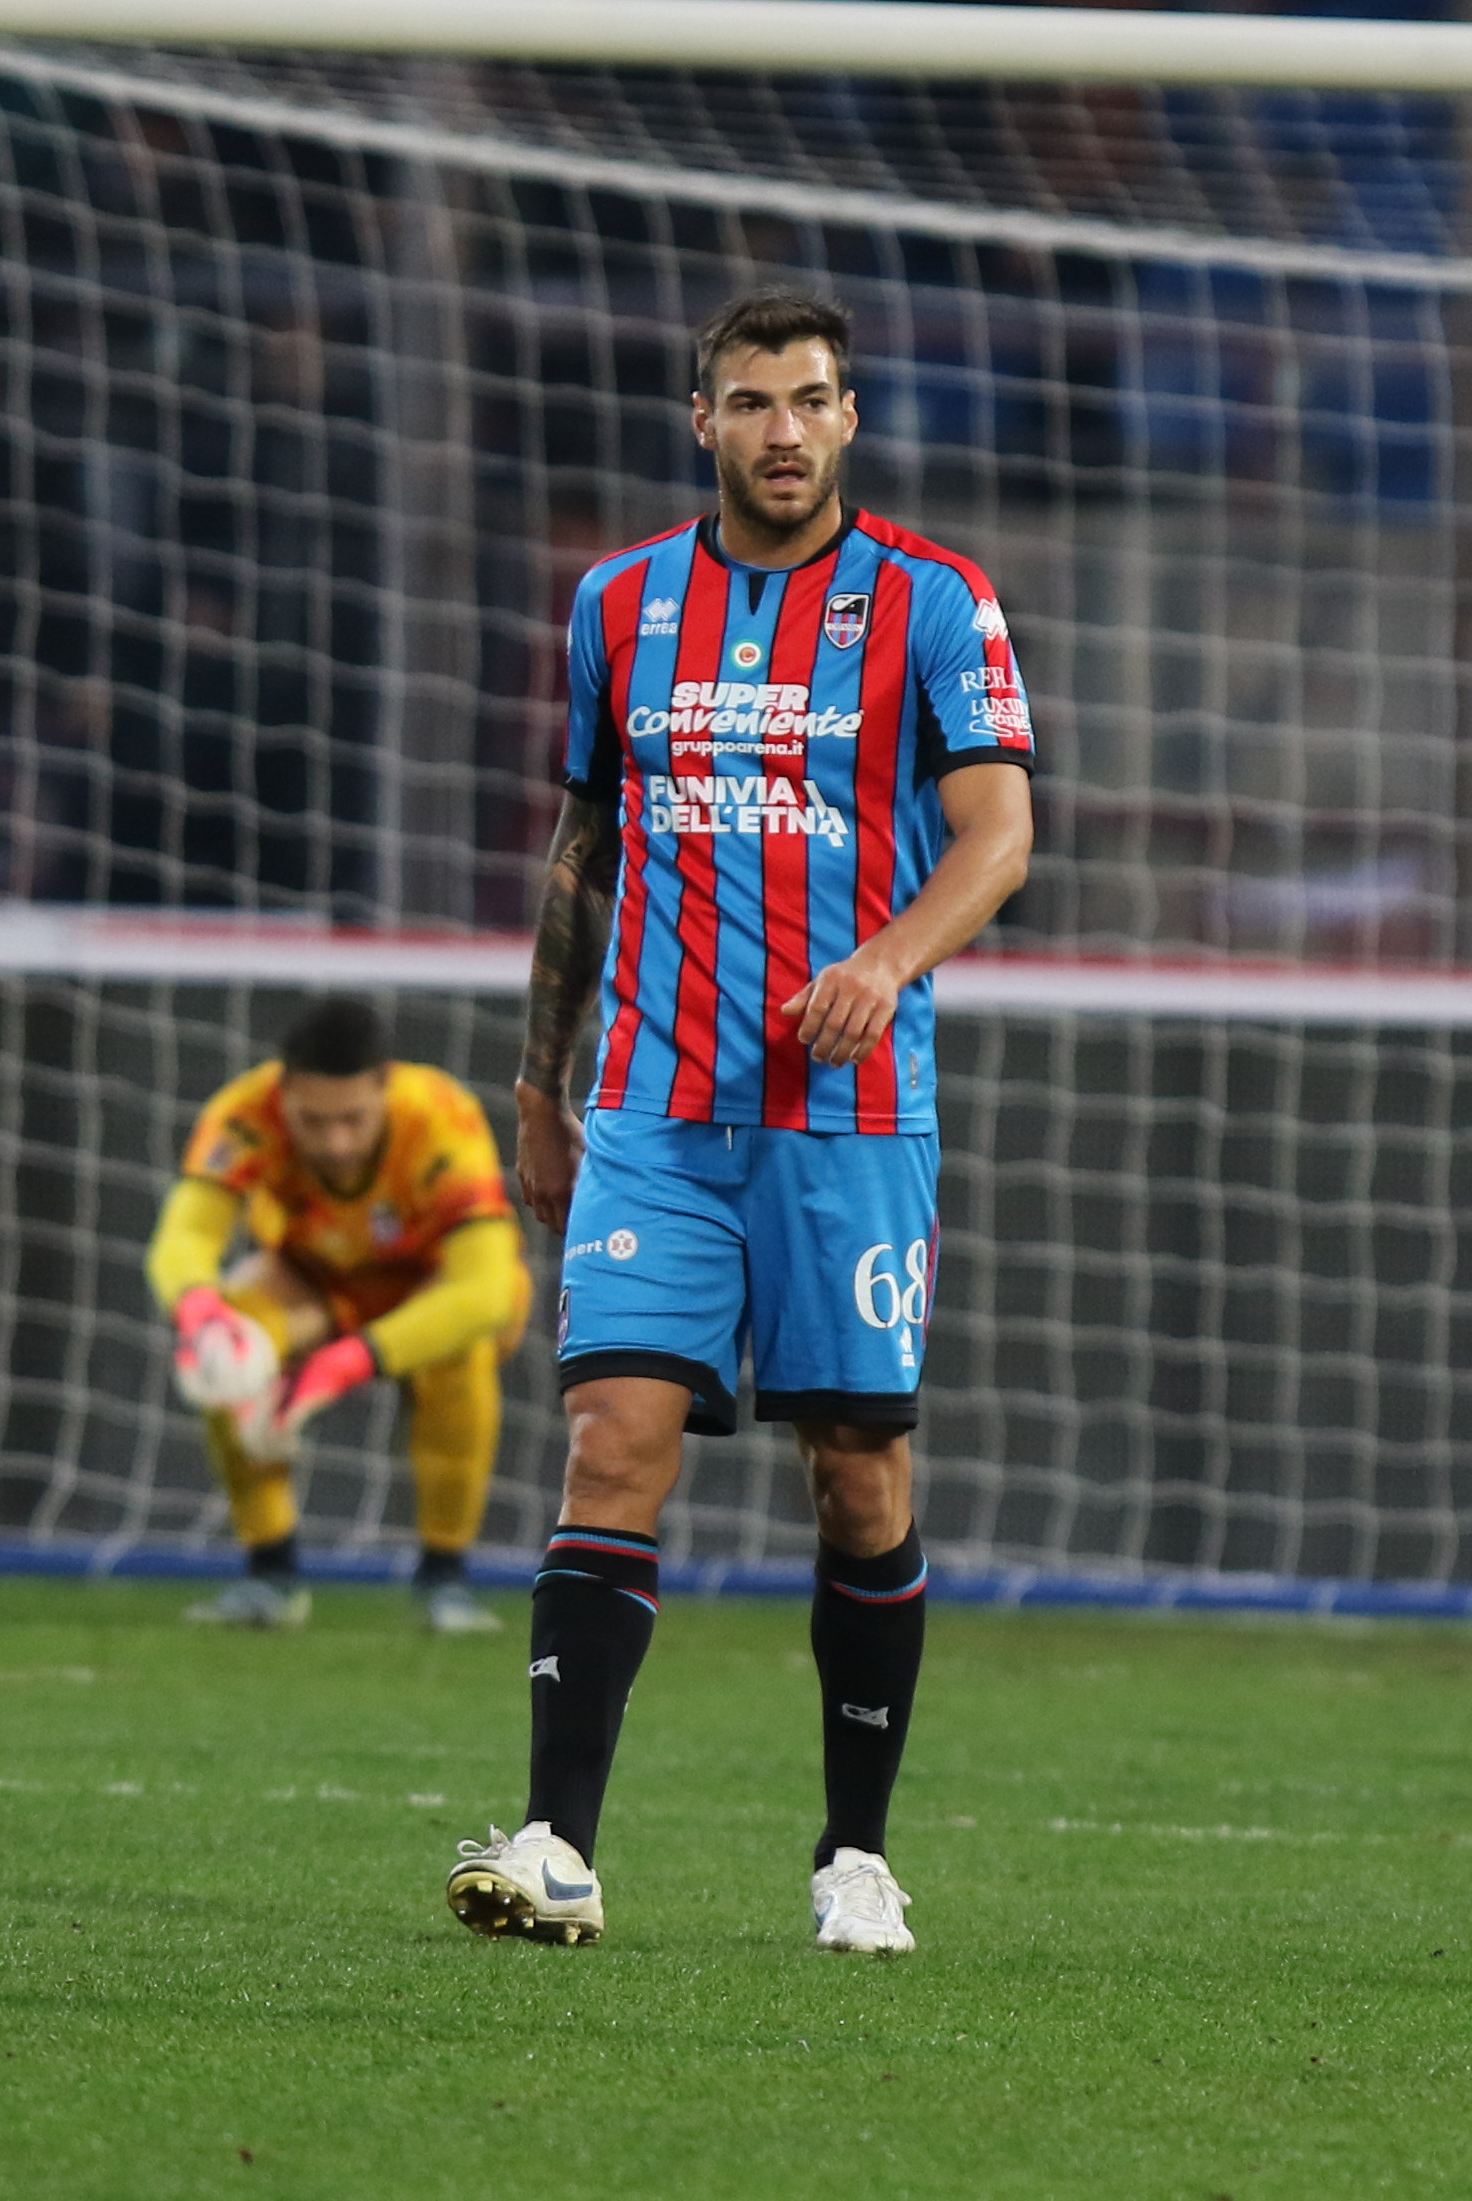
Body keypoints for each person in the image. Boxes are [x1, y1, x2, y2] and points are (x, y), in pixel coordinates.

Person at [443, 287, 1034, 1957]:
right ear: (699, 420)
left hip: (848, 1120)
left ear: (851, 421)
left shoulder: (930, 604)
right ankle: (558, 1841)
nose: (784, 430)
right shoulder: (618, 606)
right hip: (653, 1105)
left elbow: (999, 834)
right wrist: (537, 1081)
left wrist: (888, 957)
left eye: (813, 401)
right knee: (611, 1437)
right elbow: (583, 855)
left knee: (858, 1472)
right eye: (752, 401)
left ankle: (856, 1854)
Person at [148, 997, 533, 1635]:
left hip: (425, 1287)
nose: (336, 1142)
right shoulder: (245, 1113)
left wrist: (340, 1365)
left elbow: (486, 1287)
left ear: (387, 1085)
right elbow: (183, 1238)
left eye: (354, 1118)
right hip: (315, 1279)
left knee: (461, 1348)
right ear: (284, 1091)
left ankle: (445, 1579)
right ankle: (271, 1573)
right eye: (313, 1121)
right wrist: (200, 1312)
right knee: (228, 1346)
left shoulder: (439, 1116)